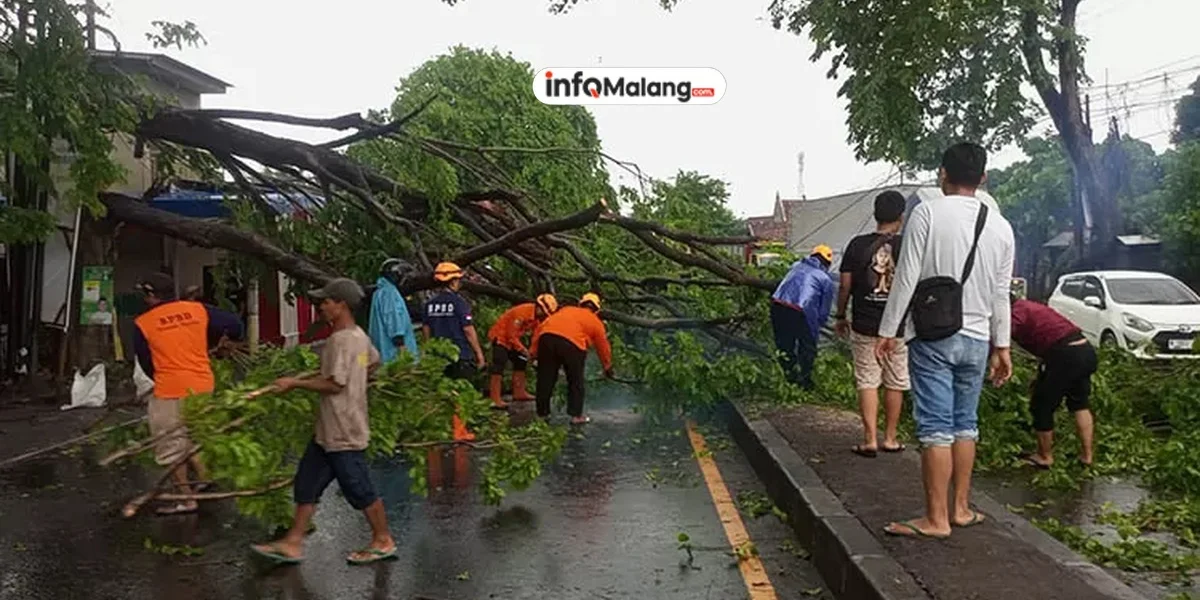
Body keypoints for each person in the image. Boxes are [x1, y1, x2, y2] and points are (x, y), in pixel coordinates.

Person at [876, 142, 1015, 539]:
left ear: (942, 174)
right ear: (983, 177)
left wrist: (888, 331)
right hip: (976, 338)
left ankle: (935, 520)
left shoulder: (926, 213)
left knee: (936, 427)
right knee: (965, 424)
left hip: (933, 335)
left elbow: (906, 277)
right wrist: (1001, 346)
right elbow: (1001, 292)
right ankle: (961, 509)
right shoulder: (1001, 225)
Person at [250, 278, 397, 566]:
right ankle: (292, 543)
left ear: (341, 304)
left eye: (325, 302)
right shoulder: (358, 335)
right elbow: (374, 364)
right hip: (328, 430)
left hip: (344, 430)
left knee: (359, 488)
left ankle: (383, 540)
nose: (321, 307)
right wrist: (357, 380)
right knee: (307, 484)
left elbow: (334, 385)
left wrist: (293, 383)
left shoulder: (341, 340)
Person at [131, 272, 244, 516]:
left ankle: (186, 499)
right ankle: (203, 477)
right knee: (195, 432)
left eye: (145, 294)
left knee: (171, 444)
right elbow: (235, 323)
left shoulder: (143, 323)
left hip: (170, 389)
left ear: (152, 296)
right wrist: (226, 342)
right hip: (202, 385)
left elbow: (146, 362)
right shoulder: (198, 310)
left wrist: (163, 376)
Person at [836, 191, 910, 457]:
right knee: (895, 382)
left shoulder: (856, 245)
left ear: (875, 214)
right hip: (897, 327)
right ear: (901, 217)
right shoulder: (908, 245)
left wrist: (841, 315)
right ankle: (890, 438)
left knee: (868, 381)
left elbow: (845, 285)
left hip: (865, 324)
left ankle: (869, 440)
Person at [1011, 297, 1097, 468]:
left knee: (1041, 405)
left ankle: (1045, 456)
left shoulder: (1016, 312)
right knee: (1079, 403)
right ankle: (1087, 456)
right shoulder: (1030, 306)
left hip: (1065, 355)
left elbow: (1001, 337)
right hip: (1085, 350)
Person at [422, 261, 486, 441]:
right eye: (458, 280)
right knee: (459, 393)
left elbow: (426, 329)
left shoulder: (429, 304)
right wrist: (479, 354)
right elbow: (468, 330)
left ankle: (439, 429)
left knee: (440, 392)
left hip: (437, 355)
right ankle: (459, 431)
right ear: (452, 282)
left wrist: (429, 351)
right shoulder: (459, 303)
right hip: (459, 354)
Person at [530, 293, 613, 425]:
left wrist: (533, 353)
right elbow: (603, 346)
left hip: (547, 338)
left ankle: (542, 414)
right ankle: (576, 416)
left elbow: (541, 328)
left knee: (545, 378)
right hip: (572, 344)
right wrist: (607, 367)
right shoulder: (595, 321)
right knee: (575, 380)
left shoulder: (565, 310)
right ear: (597, 309)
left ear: (581, 304)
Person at [770, 245, 836, 390]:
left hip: (778, 305)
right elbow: (823, 311)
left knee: (784, 345)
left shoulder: (796, 266)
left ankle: (789, 378)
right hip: (800, 310)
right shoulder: (825, 279)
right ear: (827, 263)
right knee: (807, 347)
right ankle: (805, 382)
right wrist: (818, 326)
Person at [486, 294, 559, 410]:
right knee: (499, 365)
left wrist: (534, 354)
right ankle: (495, 398)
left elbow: (536, 336)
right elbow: (510, 335)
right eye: (544, 313)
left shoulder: (537, 319)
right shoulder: (520, 313)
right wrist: (523, 350)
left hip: (513, 341)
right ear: (539, 306)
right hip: (501, 338)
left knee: (521, 361)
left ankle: (519, 392)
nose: (544, 316)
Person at [369, 258, 420, 364]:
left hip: (382, 352)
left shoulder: (379, 292)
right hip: (394, 355)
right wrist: (401, 347)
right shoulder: (390, 293)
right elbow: (393, 319)